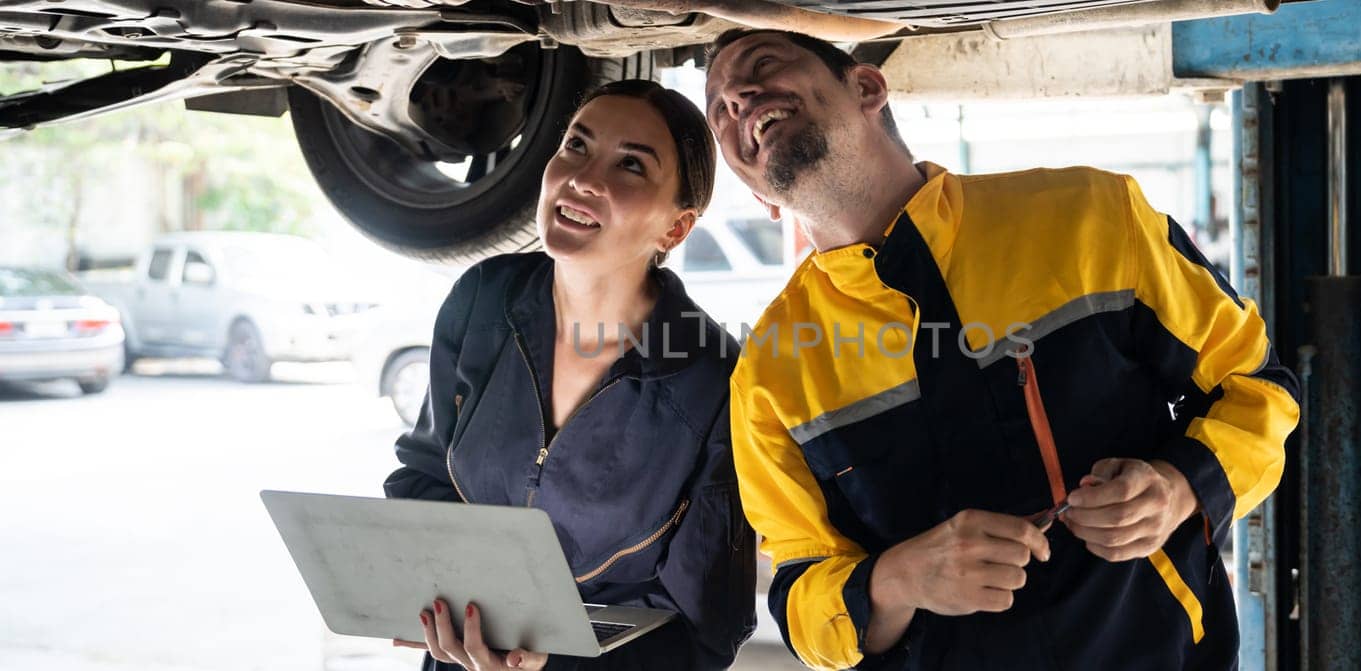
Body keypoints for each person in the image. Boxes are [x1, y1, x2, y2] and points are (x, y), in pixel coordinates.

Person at [704, 29, 1302, 669]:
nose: (738, 100)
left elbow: (1258, 386)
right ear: (758, 194)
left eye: (763, 67)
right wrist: (900, 577)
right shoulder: (770, 370)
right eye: (719, 113)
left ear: (868, 86)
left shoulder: (1093, 217)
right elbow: (800, 595)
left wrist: (1179, 486)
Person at [384, 79, 755, 671]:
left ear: (675, 228)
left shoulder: (712, 382)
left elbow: (703, 636)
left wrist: (548, 662)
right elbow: (427, 473)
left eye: (631, 165)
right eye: (576, 146)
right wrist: (432, 602)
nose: (583, 178)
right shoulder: (482, 298)